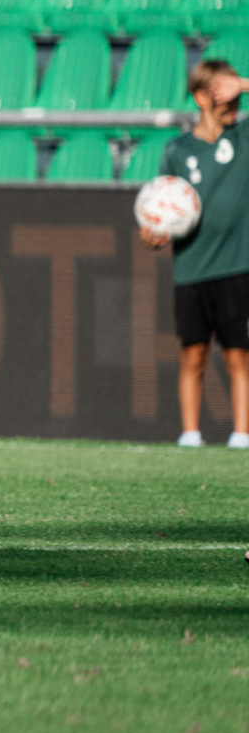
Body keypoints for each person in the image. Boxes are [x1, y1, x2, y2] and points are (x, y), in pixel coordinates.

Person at [143, 59, 249, 450]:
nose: (231, 101)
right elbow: (159, 207)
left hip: (238, 264)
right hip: (191, 267)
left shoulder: (243, 137)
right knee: (193, 354)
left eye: (234, 94)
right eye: (222, 93)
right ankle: (190, 434)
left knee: (239, 354)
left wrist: (242, 83)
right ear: (202, 98)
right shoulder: (178, 150)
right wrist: (153, 233)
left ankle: (242, 434)